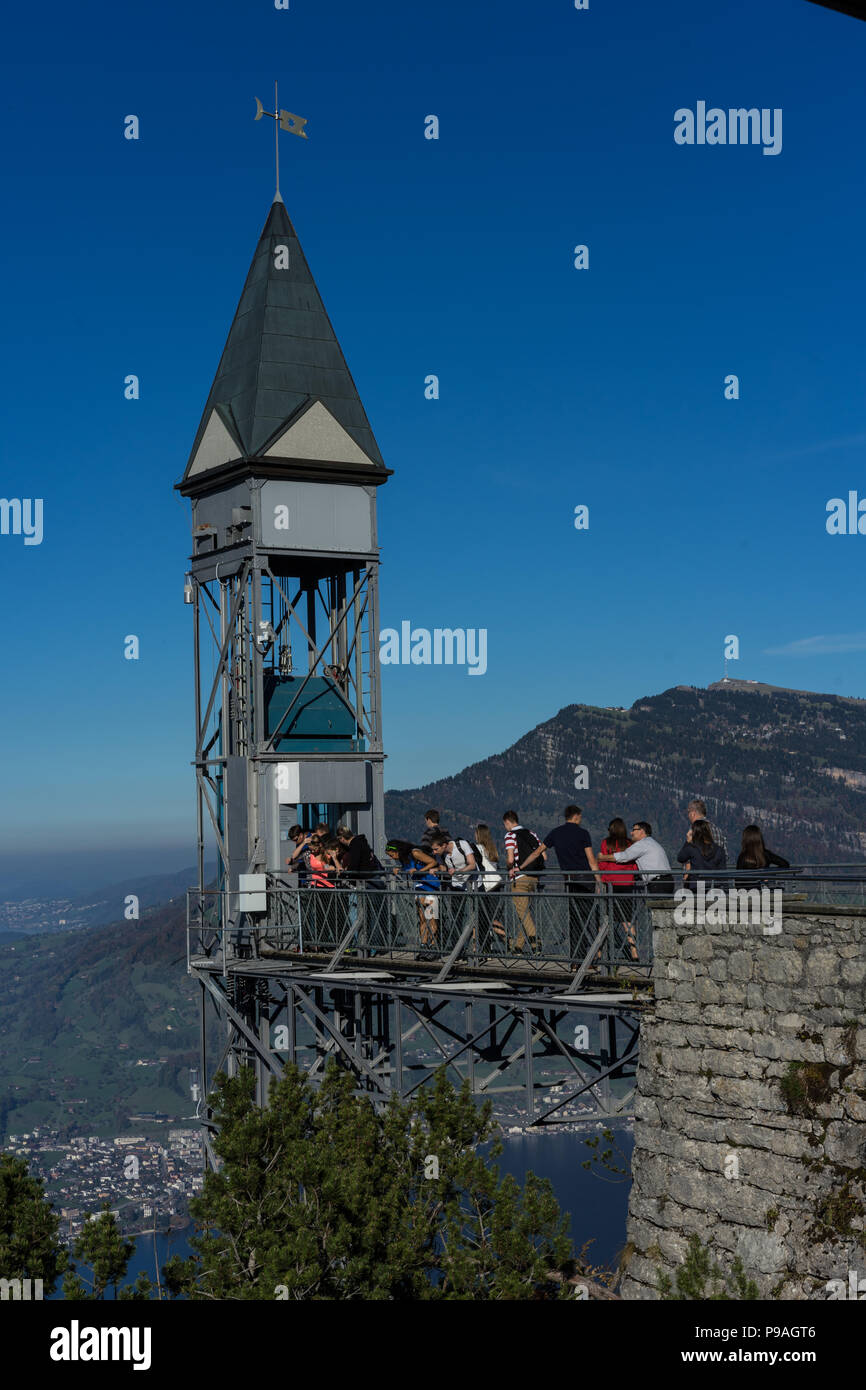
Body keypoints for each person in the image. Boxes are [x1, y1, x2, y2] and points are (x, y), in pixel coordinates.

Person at [518, 806, 600, 963]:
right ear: (576, 816)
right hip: (586, 879)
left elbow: (537, 853)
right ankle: (595, 956)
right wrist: (600, 882)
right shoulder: (583, 833)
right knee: (589, 918)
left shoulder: (556, 833)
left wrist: (520, 867)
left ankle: (577, 958)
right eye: (580, 816)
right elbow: (591, 861)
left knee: (575, 919)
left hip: (569, 880)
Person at [385, 839, 441, 955]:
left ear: (397, 851)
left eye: (392, 855)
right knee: (422, 918)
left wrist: (419, 871)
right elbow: (409, 869)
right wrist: (399, 870)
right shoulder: (404, 859)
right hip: (419, 887)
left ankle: (433, 945)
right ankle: (423, 945)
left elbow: (432, 862)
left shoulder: (414, 853)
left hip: (429, 885)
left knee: (431, 917)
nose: (393, 858)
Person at [502, 811, 544, 953]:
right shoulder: (532, 834)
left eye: (505, 824)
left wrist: (510, 868)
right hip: (534, 878)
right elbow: (543, 855)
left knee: (523, 913)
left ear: (507, 822)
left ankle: (536, 945)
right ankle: (518, 946)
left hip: (519, 878)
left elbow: (510, 859)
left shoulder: (510, 836)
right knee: (524, 913)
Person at [598, 817, 639, 961]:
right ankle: (634, 952)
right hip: (627, 885)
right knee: (627, 920)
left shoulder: (606, 843)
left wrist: (602, 878)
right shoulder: (630, 844)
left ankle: (599, 953)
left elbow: (602, 865)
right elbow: (634, 864)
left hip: (611, 884)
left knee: (604, 918)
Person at [598, 822, 675, 896]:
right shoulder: (652, 842)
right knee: (663, 907)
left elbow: (624, 856)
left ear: (641, 831)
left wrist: (603, 857)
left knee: (658, 907)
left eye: (634, 830)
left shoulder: (642, 844)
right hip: (666, 880)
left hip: (658, 883)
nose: (631, 833)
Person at [474, 824, 504, 955]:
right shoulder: (492, 849)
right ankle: (507, 940)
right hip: (497, 885)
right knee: (492, 918)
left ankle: (481, 947)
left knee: (484, 918)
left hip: (487, 887)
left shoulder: (478, 849)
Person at [677, 819, 726, 889]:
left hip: (696, 887)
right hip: (714, 887)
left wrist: (687, 842)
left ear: (694, 833)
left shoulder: (692, 849)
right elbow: (723, 871)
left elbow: (680, 858)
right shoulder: (719, 850)